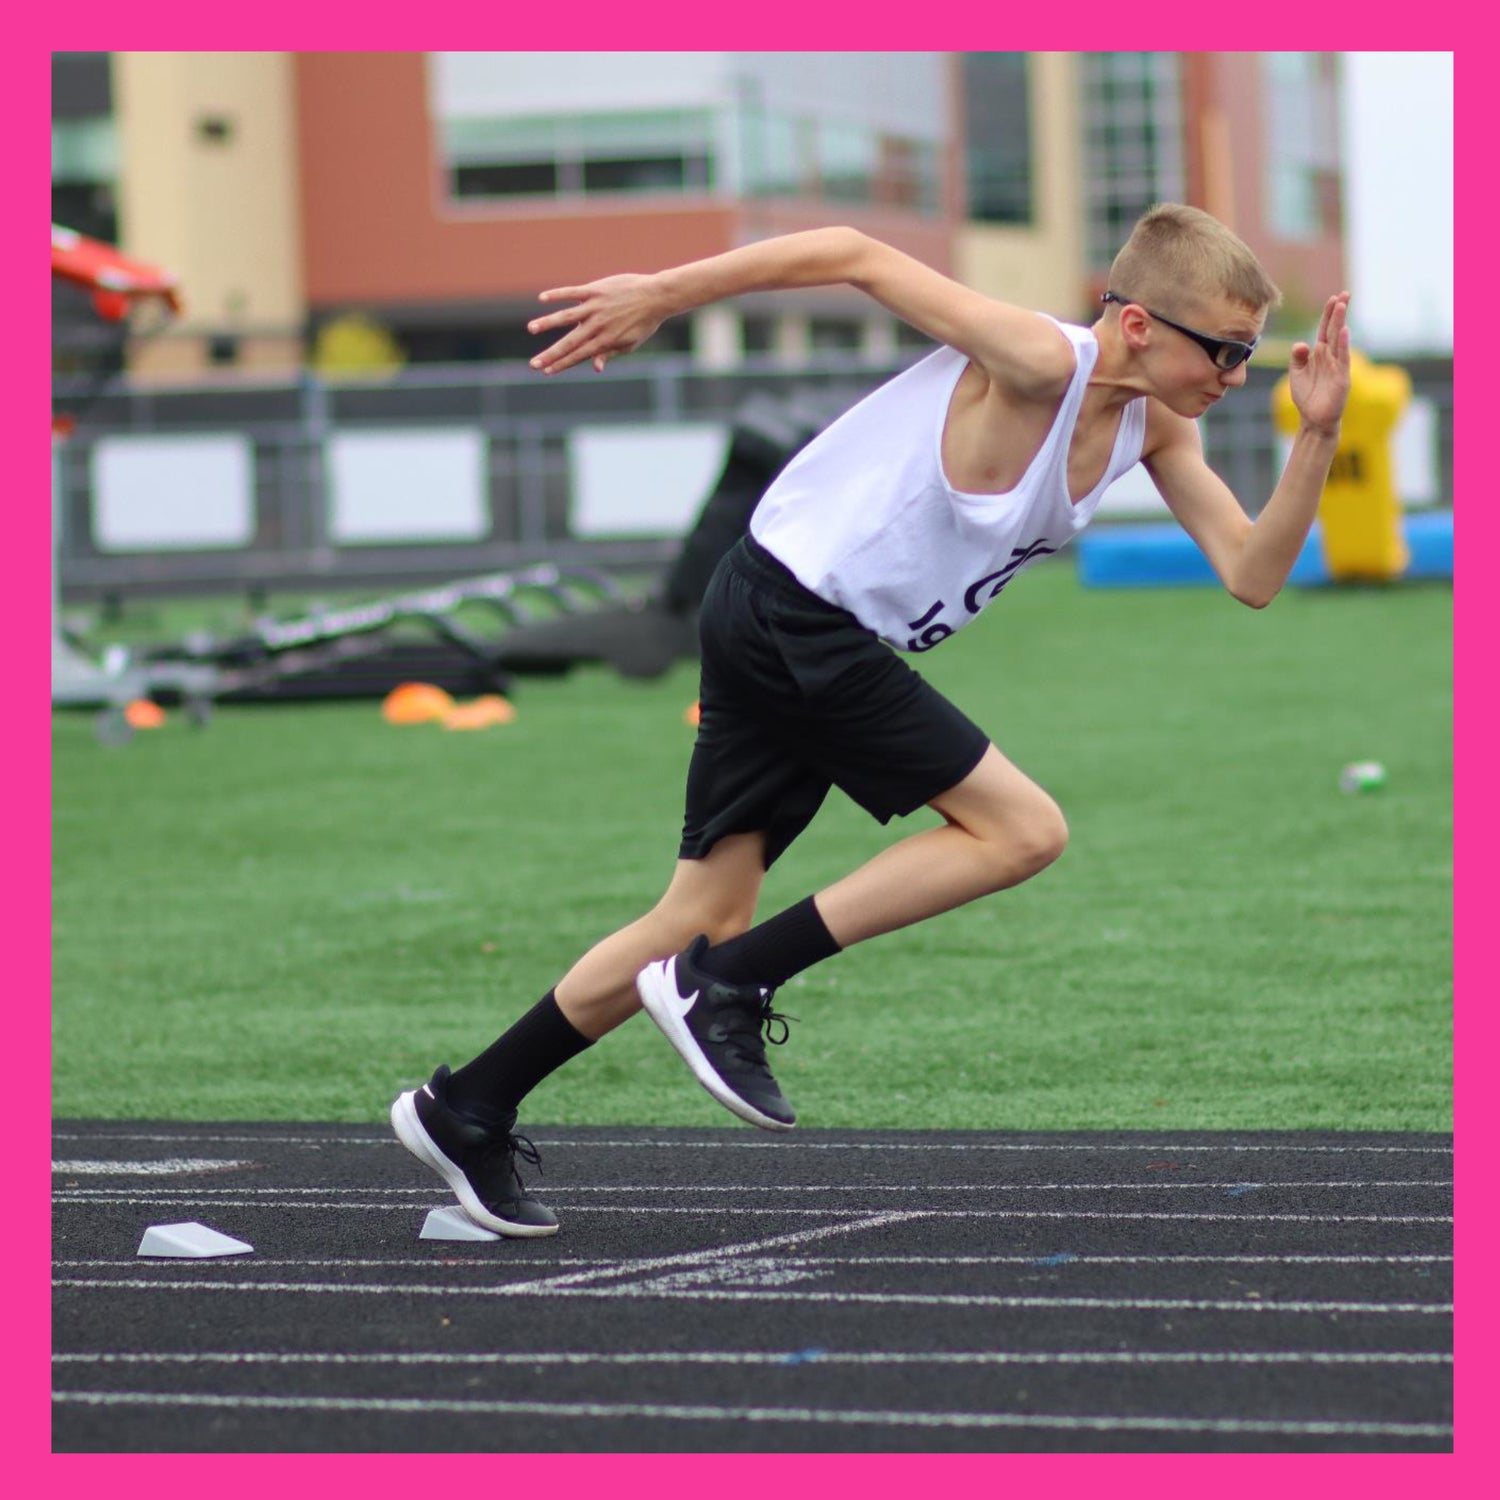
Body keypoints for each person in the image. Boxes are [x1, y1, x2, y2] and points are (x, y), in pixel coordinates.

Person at [390, 204, 1352, 1236]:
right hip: (795, 613)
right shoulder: (1036, 357)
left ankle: (469, 1106)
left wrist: (1320, 435)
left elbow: (1253, 573)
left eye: (1249, 354)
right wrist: (661, 295)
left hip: (798, 621)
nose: (1236, 375)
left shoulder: (1158, 425)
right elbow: (852, 253)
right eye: (1224, 350)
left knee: (696, 916)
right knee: (1021, 829)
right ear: (1136, 326)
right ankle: (728, 986)